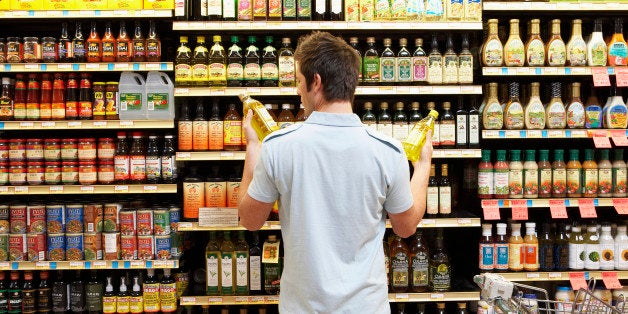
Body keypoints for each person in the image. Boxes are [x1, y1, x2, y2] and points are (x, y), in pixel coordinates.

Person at [238, 31, 433, 313]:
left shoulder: (279, 147)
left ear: (315, 82)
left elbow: (250, 219)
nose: (297, 90)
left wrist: (253, 147)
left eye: (299, 82)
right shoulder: (388, 151)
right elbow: (406, 227)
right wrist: (424, 165)